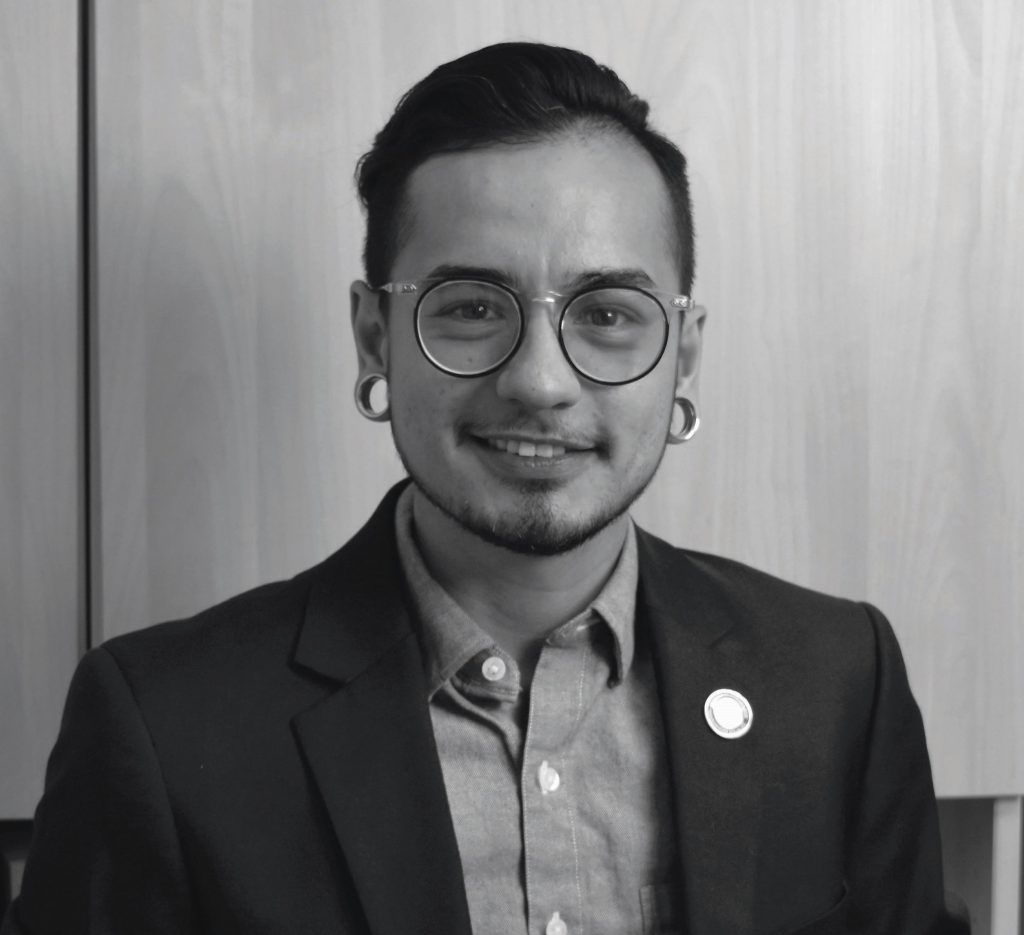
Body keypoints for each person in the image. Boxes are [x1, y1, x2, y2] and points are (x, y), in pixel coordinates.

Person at [4, 42, 968, 935]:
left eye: (607, 314)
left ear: (683, 356)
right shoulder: (163, 725)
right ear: (375, 338)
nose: (540, 381)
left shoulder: (840, 684)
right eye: (470, 308)